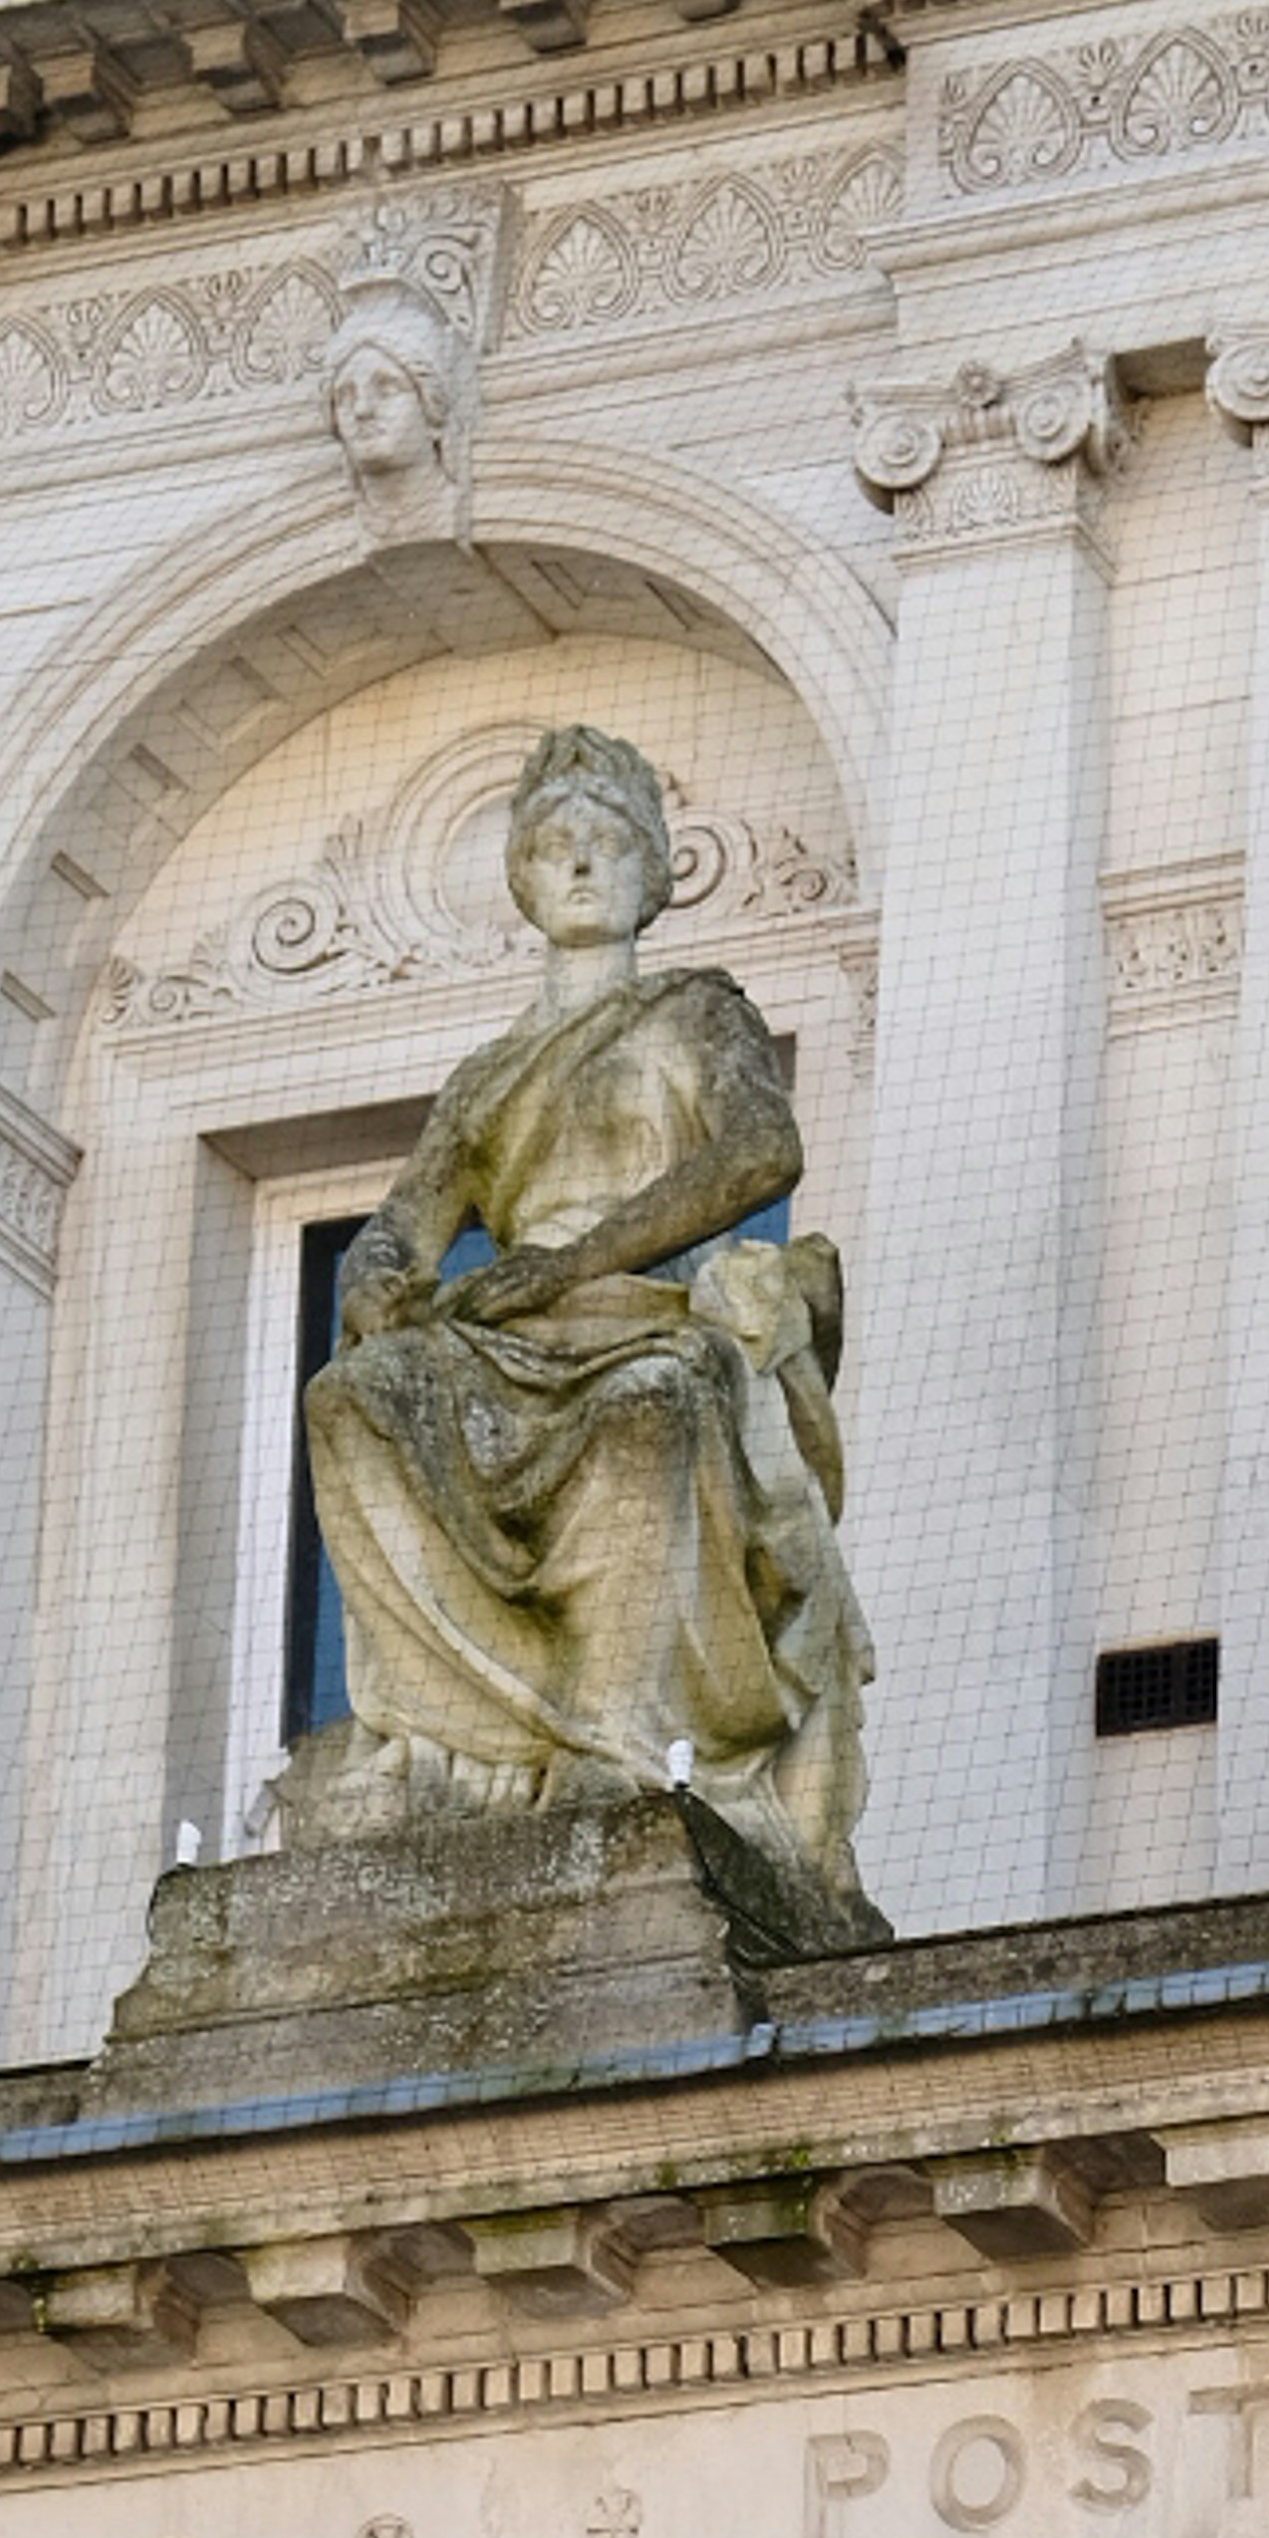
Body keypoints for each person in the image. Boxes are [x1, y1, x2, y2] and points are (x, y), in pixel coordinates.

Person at [299, 720, 871, 1888]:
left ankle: (614, 1737)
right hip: (506, 1330)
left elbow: (761, 1153)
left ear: (655, 870)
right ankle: (455, 1732)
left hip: (638, 1319)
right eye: (552, 843)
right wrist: (375, 1280)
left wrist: (571, 1263)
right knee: (352, 1398)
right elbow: (406, 1221)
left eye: (607, 842)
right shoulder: (484, 1073)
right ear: (519, 873)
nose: (577, 864)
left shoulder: (696, 1012)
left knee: (652, 1407)